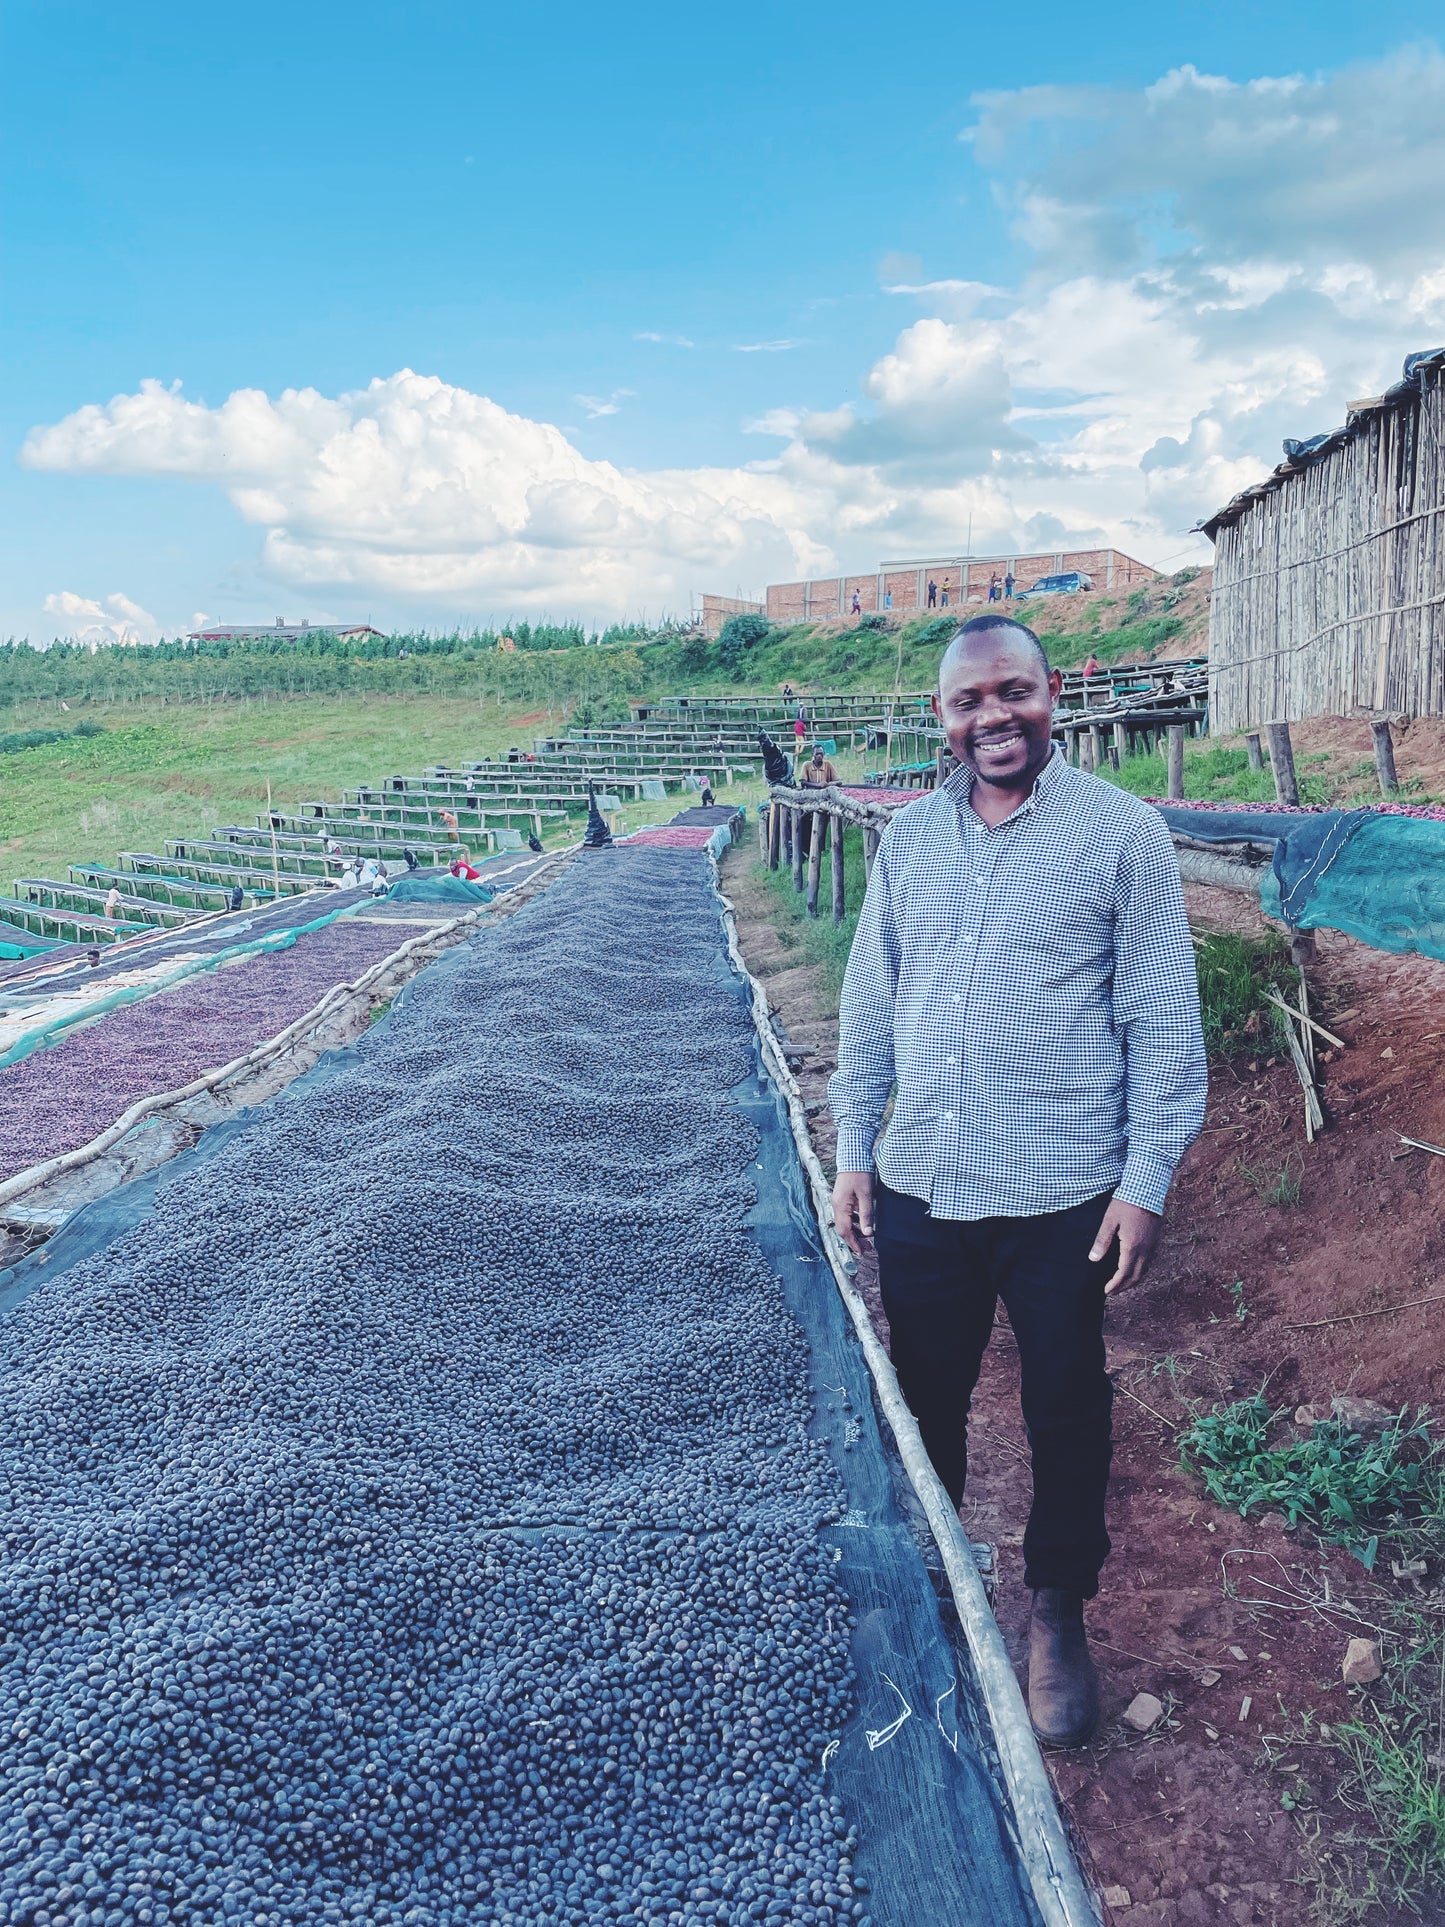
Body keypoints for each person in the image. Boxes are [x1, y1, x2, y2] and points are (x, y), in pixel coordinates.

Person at [829, 614, 1205, 1750]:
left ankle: (1054, 1612)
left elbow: (1159, 1020)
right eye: (966, 702)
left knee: (1063, 1404)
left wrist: (1142, 1182)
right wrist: (854, 1145)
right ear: (939, 720)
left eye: (1012, 692)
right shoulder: (909, 841)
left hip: (1060, 1192)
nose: (991, 716)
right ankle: (940, 1594)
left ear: (1053, 694)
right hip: (923, 1182)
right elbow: (868, 999)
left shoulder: (1119, 835)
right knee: (922, 1399)